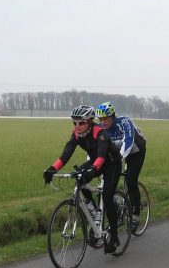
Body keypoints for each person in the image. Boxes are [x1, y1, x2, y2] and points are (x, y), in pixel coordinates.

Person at [42, 105, 122, 254]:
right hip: (95, 161)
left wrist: (93, 170)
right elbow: (66, 154)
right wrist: (52, 169)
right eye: (75, 123)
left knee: (107, 195)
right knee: (78, 175)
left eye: (82, 123)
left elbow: (102, 156)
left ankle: (115, 236)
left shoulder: (100, 132)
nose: (77, 126)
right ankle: (93, 212)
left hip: (111, 163)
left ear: (90, 121)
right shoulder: (77, 134)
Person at [95, 101, 147, 232]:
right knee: (108, 182)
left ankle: (135, 214)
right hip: (118, 152)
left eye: (106, 118)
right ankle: (117, 205)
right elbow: (98, 150)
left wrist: (118, 160)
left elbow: (128, 142)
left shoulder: (124, 122)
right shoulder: (101, 129)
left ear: (112, 116)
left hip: (136, 151)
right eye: (100, 119)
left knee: (130, 181)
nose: (103, 122)